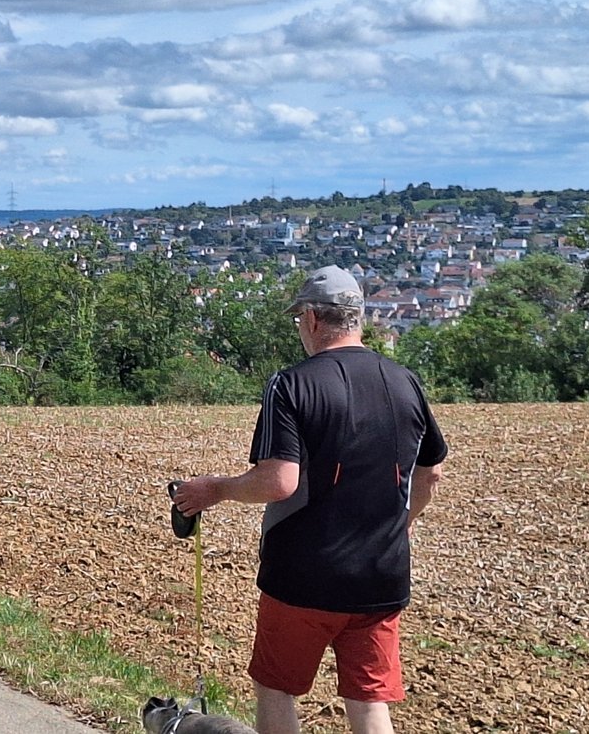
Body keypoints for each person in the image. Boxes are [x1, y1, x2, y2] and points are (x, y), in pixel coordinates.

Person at [171, 265, 447, 734]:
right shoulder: (405, 381)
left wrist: (215, 489)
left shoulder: (291, 385)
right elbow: (432, 472)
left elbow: (279, 481)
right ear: (356, 318)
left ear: (314, 320)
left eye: (300, 318)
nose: (300, 326)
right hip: (381, 575)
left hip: (303, 575)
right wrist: (404, 522)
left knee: (277, 689)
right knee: (368, 699)